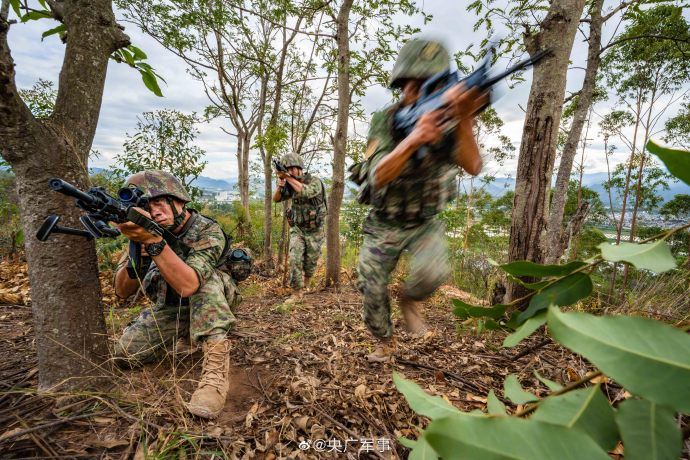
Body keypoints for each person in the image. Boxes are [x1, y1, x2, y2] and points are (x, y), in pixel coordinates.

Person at [353, 38, 485, 363]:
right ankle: (384, 341)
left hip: (424, 221)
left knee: (431, 275)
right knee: (370, 283)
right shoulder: (385, 120)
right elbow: (378, 176)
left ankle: (408, 300)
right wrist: (414, 139)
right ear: (403, 86)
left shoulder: (451, 121)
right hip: (385, 222)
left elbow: (473, 166)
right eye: (417, 84)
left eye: (433, 84)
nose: (423, 90)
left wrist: (466, 118)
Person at [112, 170, 241, 419]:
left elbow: (189, 285)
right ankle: (185, 329)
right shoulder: (143, 232)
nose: (155, 211)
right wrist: (137, 251)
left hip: (213, 301)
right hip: (172, 307)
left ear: (179, 201)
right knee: (126, 355)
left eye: (159, 202)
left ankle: (215, 376)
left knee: (204, 280)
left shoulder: (207, 230)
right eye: (146, 207)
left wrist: (155, 244)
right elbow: (122, 291)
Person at [272, 153, 327, 299]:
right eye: (287, 170)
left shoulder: (315, 181)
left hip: (315, 230)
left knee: (310, 264)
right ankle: (297, 292)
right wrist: (280, 185)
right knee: (294, 257)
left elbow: (306, 192)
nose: (289, 172)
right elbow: (276, 199)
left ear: (299, 168)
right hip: (298, 228)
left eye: (290, 169)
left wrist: (287, 178)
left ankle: (306, 283)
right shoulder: (290, 183)